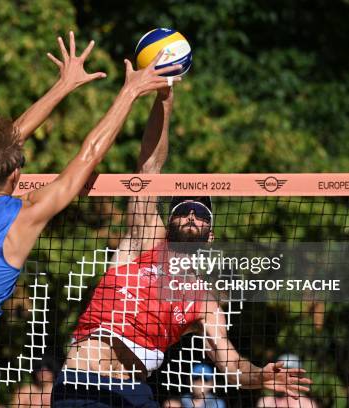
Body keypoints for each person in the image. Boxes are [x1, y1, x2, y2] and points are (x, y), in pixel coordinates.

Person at [0, 30, 180, 408]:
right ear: (15, 175)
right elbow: (87, 155)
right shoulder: (21, 217)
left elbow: (4, 145)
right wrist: (129, 92)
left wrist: (62, 86)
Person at [52, 86, 312, 407]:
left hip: (133, 394)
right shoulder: (146, 241)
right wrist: (165, 97)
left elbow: (231, 365)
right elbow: (149, 168)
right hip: (84, 382)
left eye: (201, 212)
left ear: (210, 235)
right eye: (182, 209)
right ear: (170, 220)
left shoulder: (204, 302)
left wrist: (260, 375)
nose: (191, 214)